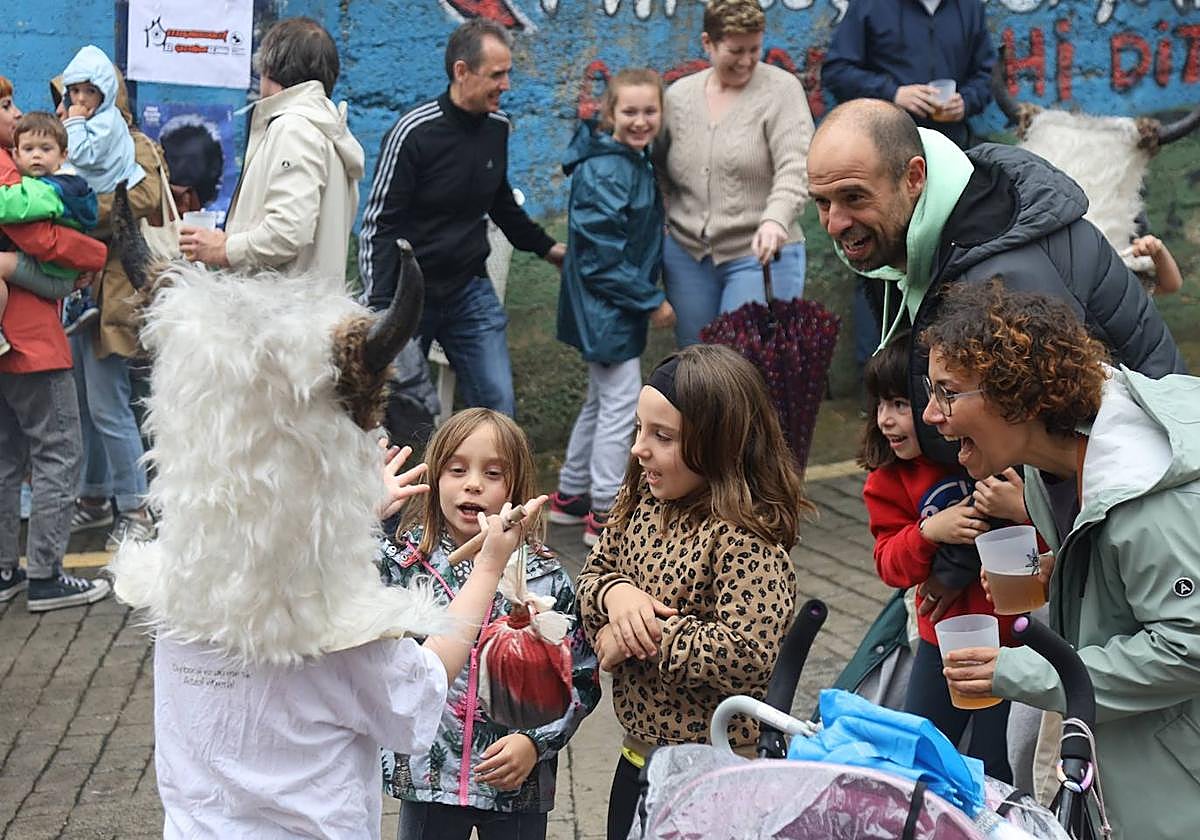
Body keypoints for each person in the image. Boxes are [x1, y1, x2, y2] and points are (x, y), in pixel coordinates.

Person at [926, 280, 1200, 840]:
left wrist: (1022, 672)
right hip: (1139, 773)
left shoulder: (1147, 497)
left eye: (948, 392)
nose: (931, 413)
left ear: (1018, 396)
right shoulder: (1043, 468)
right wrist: (1068, 575)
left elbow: (1188, 647)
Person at [806, 98, 1185, 465]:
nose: (835, 223)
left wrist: (1024, 509)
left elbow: (1042, 434)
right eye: (822, 203)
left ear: (915, 177)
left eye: (854, 197)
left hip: (1140, 470)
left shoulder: (999, 277)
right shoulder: (912, 233)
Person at [575, 343, 809, 840]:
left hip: (717, 768)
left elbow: (749, 653)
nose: (640, 449)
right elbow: (591, 579)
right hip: (637, 754)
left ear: (719, 444)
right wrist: (618, 597)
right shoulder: (641, 497)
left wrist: (642, 635)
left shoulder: (745, 537)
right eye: (640, 429)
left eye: (663, 436)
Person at [378, 409, 599, 840]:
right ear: (436, 478)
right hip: (428, 779)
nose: (473, 483)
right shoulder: (407, 565)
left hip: (517, 783)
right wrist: (366, 512)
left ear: (515, 487)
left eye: (492, 473)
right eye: (457, 469)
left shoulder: (545, 577)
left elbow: (581, 677)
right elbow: (346, 585)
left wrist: (535, 742)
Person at [357, 18, 566, 417]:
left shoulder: (497, 128)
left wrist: (547, 249)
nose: (506, 85)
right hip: (409, 296)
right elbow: (378, 225)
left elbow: (501, 203)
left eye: (508, 73)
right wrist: (383, 309)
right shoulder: (413, 133)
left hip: (469, 290)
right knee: (407, 413)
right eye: (497, 74)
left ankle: (496, 479)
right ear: (461, 72)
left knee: (498, 405)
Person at [859, 333, 1022, 782]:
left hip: (1012, 638)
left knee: (995, 762)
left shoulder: (983, 452)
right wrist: (930, 531)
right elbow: (890, 565)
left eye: (899, 404)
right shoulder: (889, 480)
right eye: (880, 406)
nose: (887, 421)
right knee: (925, 755)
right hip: (941, 639)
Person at [549, 68, 674, 548]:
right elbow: (602, 256)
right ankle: (604, 509)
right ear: (610, 114)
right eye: (630, 112)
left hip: (607, 307)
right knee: (622, 404)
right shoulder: (607, 169)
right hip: (609, 307)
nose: (641, 121)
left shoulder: (628, 158)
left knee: (602, 400)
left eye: (649, 111)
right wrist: (651, 300)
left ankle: (572, 496)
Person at [0, 74, 111, 611]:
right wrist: (92, 257)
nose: (16, 112)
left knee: (5, 455)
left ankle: (5, 570)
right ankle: (44, 574)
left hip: (10, 335)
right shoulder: (7, 170)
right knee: (59, 451)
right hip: (29, 336)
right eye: (5, 105)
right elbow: (42, 238)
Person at [48, 66, 164, 551]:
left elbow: (145, 195)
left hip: (115, 293)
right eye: (67, 95)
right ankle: (95, 497)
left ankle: (136, 507)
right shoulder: (75, 138)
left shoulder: (132, 144)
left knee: (108, 405)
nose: (70, 104)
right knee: (83, 405)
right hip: (80, 294)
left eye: (80, 93)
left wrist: (77, 207)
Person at [655, 0, 814, 348]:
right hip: (687, 253)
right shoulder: (679, 96)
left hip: (759, 252)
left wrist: (775, 220)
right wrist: (669, 215)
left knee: (741, 356)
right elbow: (658, 163)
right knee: (695, 359)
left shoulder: (781, 90)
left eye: (754, 49)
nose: (746, 60)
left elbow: (796, 164)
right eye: (735, 50)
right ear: (707, 43)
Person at [180, 17, 365, 285]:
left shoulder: (294, 128)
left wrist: (223, 249)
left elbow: (288, 231)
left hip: (278, 316)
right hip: (311, 312)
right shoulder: (327, 132)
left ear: (268, 68)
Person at [822, 0, 996, 150]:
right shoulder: (870, 4)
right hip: (884, 146)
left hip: (951, 147)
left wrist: (965, 102)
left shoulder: (969, 7)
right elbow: (837, 71)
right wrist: (893, 94)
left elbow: (987, 74)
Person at [0, 112, 100, 354]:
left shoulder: (54, 188)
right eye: (28, 149)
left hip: (55, 275)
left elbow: (15, 206)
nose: (36, 155)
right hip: (63, 273)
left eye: (46, 149)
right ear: (16, 154)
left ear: (63, 155)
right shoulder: (64, 184)